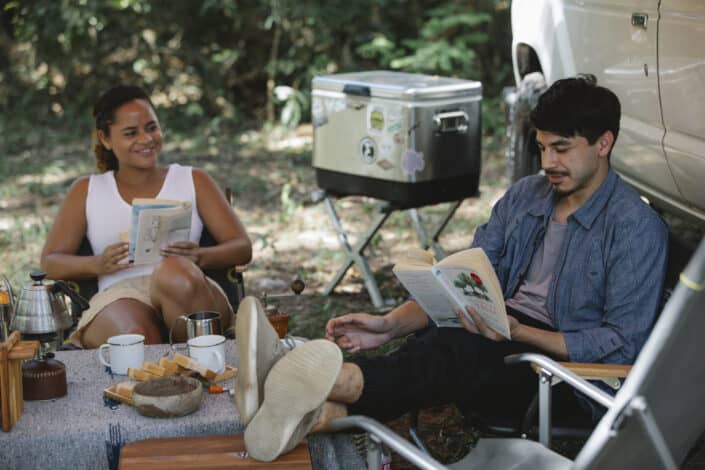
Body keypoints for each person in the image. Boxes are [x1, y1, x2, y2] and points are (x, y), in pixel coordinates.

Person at [233, 75, 669, 462]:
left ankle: (324, 380)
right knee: (449, 343)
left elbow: (621, 342)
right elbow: (460, 283)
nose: (548, 163)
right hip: (489, 341)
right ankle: (322, 412)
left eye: (561, 149)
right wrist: (388, 325)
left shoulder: (635, 229)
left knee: (463, 349)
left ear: (604, 143)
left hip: (559, 379)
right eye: (540, 148)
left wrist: (519, 333)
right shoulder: (526, 197)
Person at [40, 85, 252, 349]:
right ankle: (156, 383)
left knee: (174, 270)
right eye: (131, 133)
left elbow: (242, 248)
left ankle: (204, 373)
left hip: (189, 288)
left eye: (151, 127)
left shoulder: (192, 179)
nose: (146, 138)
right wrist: (97, 264)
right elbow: (50, 262)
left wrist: (200, 257)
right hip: (120, 294)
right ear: (105, 139)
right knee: (136, 336)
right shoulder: (88, 190)